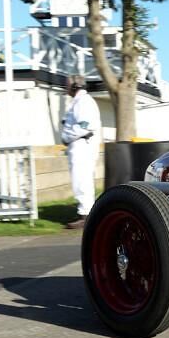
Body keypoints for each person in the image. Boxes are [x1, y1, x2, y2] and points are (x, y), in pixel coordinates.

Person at [62, 75, 102, 229]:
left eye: (67, 85)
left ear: (74, 86)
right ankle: (83, 212)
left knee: (82, 180)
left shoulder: (83, 102)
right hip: (79, 146)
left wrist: (67, 136)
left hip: (82, 146)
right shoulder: (79, 101)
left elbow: (85, 126)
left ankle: (85, 215)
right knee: (81, 180)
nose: (66, 88)